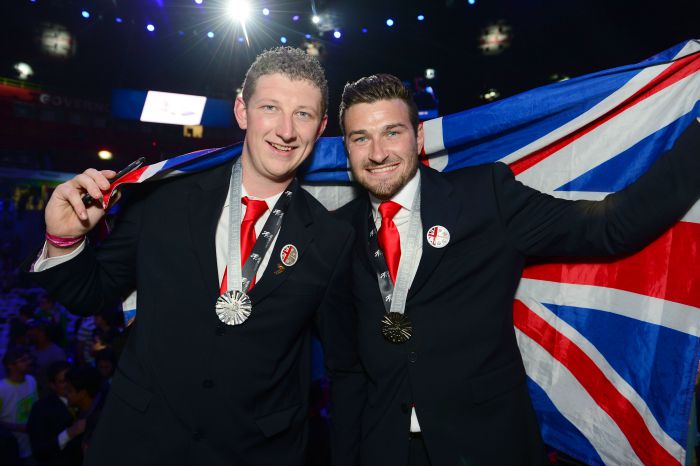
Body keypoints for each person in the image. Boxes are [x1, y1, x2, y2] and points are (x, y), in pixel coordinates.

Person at [334, 73, 700, 465]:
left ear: (418, 137)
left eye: (392, 133)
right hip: (385, 450)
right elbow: (345, 369)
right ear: (347, 147)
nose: (377, 153)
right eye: (361, 138)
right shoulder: (337, 233)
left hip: (488, 444)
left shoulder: (485, 196)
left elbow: (610, 227)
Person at [23, 46, 356, 465]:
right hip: (139, 442)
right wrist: (64, 240)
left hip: (256, 451)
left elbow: (347, 363)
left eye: (303, 114)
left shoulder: (332, 237)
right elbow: (92, 293)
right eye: (270, 107)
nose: (286, 130)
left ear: (322, 126)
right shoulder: (164, 196)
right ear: (242, 110)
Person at [27, 361, 84, 466]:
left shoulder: (83, 398)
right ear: (52, 385)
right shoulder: (41, 408)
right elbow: (40, 451)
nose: (68, 385)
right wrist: (68, 434)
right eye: (62, 381)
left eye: (69, 380)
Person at [0, 347, 39, 464]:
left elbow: (36, 406)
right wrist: (18, 427)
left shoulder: (31, 380)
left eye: (28, 359)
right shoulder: (2, 388)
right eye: (23, 360)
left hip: (31, 445)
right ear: (10, 366)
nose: (28, 362)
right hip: (9, 450)